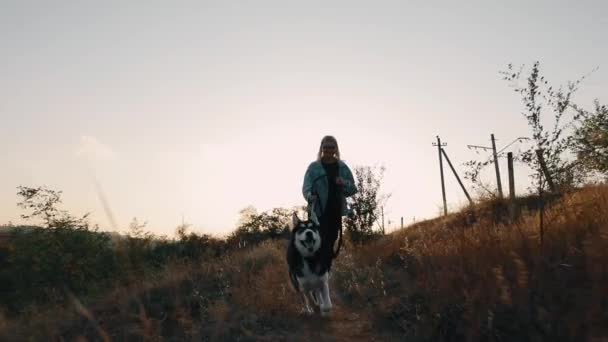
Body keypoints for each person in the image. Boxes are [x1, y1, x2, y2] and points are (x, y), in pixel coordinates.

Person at [302, 135, 357, 271]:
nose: (328, 150)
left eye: (331, 148)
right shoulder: (313, 167)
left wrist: (343, 182)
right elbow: (306, 187)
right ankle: (321, 272)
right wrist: (310, 196)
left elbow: (352, 188)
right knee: (320, 242)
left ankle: (325, 271)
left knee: (331, 240)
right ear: (321, 148)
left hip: (336, 210)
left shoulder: (342, 167)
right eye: (325, 147)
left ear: (335, 149)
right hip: (318, 212)